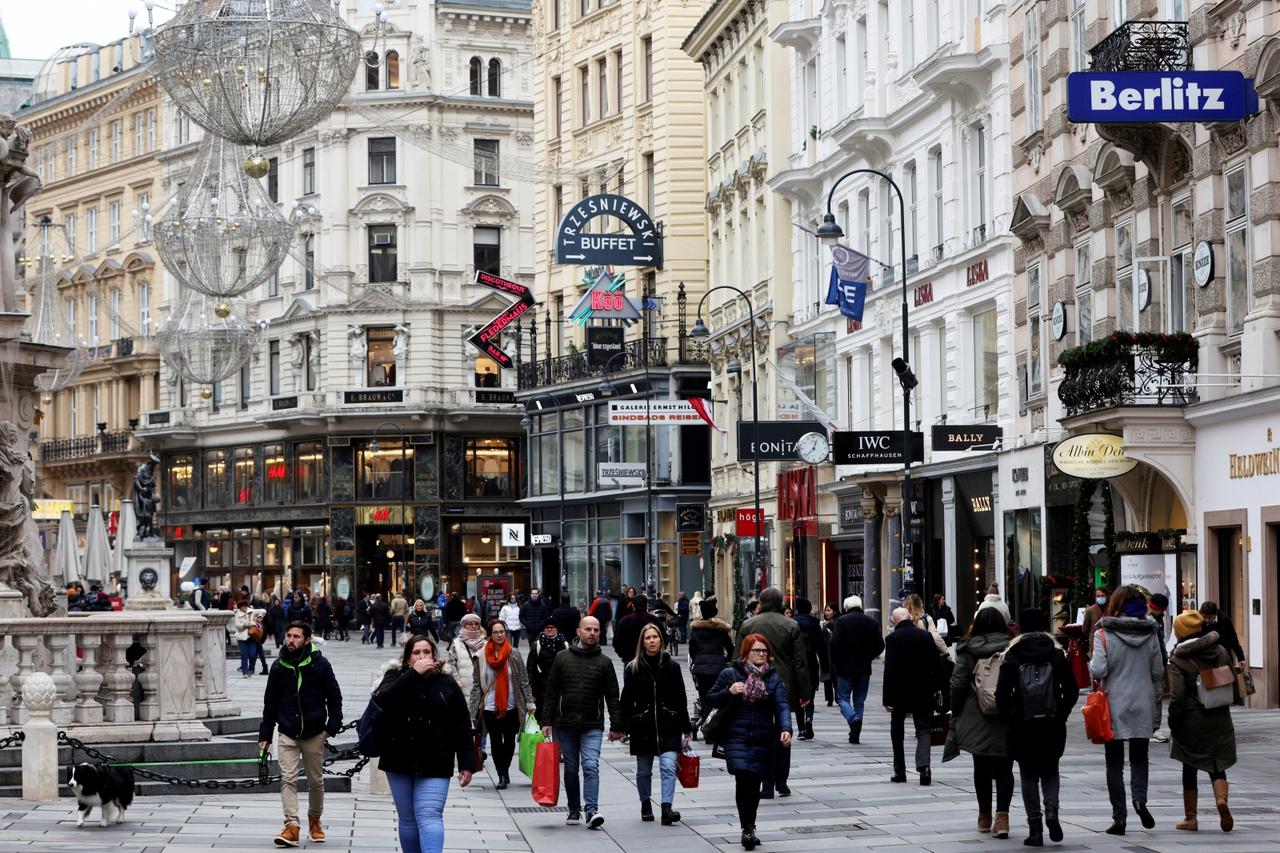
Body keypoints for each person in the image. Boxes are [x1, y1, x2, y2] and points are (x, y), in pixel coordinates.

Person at [373, 635, 476, 853]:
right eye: (416, 653)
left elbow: (462, 724)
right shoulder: (395, 676)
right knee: (408, 819)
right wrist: (413, 674)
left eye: (426, 652)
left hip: (436, 760)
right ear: (408, 657)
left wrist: (467, 763)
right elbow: (383, 699)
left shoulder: (446, 682)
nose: (422, 657)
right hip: (398, 757)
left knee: (429, 815)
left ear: (434, 655)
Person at [996, 607, 1080, 847]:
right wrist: (1061, 713)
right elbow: (1072, 690)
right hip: (1051, 724)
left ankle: (1035, 828)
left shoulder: (1012, 655)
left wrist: (1010, 716)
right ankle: (1052, 810)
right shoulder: (1056, 654)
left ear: (1020, 627)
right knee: (1050, 769)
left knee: (1028, 775)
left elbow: (1001, 695)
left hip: (1022, 724)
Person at [259, 621, 343, 847]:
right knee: (288, 779)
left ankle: (314, 819)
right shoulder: (279, 666)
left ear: (307, 640)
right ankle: (292, 826)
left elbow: (334, 696)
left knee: (316, 781)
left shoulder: (320, 665)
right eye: (289, 636)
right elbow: (270, 703)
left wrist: (332, 726)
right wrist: (265, 735)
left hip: (314, 733)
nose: (291, 641)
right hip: (287, 732)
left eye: (296, 637)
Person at [1088, 585, 1164, 835]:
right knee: (1140, 758)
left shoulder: (1103, 634)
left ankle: (1119, 818)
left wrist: (1093, 662)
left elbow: (1098, 670)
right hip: (1143, 701)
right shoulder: (1151, 633)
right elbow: (1158, 673)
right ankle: (1140, 800)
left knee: (1114, 764)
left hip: (1114, 704)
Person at [707, 633, 793, 850]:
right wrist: (729, 691)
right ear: (746, 652)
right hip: (736, 734)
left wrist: (785, 728)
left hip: (763, 736)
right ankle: (746, 827)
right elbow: (710, 698)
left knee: (754, 783)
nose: (761, 654)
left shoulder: (773, 677)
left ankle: (750, 825)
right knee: (743, 778)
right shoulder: (731, 674)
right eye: (757, 650)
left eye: (764, 651)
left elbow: (782, 705)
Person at [540, 616, 622, 829]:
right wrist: (547, 720)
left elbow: (612, 695)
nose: (593, 633)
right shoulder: (562, 658)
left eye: (596, 629)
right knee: (570, 768)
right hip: (565, 723)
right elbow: (551, 691)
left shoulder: (605, 662)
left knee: (590, 766)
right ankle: (574, 808)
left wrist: (617, 725)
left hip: (592, 724)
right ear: (579, 631)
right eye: (588, 629)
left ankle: (591, 810)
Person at [735, 587, 810, 798]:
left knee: (761, 735)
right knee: (783, 732)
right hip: (784, 684)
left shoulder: (749, 624)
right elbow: (800, 662)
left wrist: (736, 686)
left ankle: (766, 783)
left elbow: (738, 657)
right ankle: (782, 781)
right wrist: (805, 691)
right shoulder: (791, 625)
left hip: (754, 683)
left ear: (760, 602)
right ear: (780, 603)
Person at [948, 606, 1014, 838]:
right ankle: (1003, 818)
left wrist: (957, 712)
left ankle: (984, 816)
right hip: (1007, 714)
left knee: (981, 767)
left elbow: (957, 683)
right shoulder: (1012, 647)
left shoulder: (968, 648)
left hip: (977, 713)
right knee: (1005, 767)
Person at [1168, 609, 1236, 833]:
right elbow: (1230, 679)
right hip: (1219, 715)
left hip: (1192, 719)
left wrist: (1173, 721)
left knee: (1190, 764)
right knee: (1217, 762)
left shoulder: (1179, 658)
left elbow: (1177, 696)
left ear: (1180, 633)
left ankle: (1191, 818)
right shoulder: (1220, 650)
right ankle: (1221, 801)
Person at [618, 623, 692, 825]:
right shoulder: (633, 667)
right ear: (642, 642)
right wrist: (622, 726)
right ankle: (645, 803)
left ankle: (666, 808)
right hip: (643, 725)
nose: (652, 641)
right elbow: (626, 699)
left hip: (669, 724)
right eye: (648, 638)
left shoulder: (673, 666)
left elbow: (681, 697)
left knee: (668, 767)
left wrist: (686, 726)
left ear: (661, 640)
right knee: (644, 771)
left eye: (655, 637)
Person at [468, 620, 533, 790]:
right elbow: (476, 686)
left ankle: (505, 768)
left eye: (502, 632)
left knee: (510, 742)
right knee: (496, 742)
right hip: (490, 707)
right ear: (489, 634)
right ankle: (501, 774)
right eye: (496, 632)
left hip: (512, 706)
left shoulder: (514, 653)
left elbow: (524, 680)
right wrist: (472, 712)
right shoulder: (481, 656)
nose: (499, 635)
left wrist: (530, 701)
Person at [883, 606, 943, 786]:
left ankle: (899, 770)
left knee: (897, 730)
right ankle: (924, 767)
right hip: (923, 690)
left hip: (900, 692)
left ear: (894, 621)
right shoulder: (925, 636)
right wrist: (938, 688)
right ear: (910, 617)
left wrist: (887, 699)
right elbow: (937, 664)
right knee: (923, 729)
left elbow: (890, 670)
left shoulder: (893, 638)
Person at [827, 594, 884, 745]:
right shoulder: (871, 622)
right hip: (864, 668)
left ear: (846, 607)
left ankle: (853, 720)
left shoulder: (841, 621)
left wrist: (837, 661)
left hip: (845, 668)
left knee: (842, 698)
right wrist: (868, 657)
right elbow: (880, 645)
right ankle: (855, 733)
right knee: (859, 701)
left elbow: (833, 643)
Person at [687, 596, 734, 709]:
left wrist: (696, 660)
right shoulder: (720, 630)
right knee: (718, 695)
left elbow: (692, 649)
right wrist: (726, 660)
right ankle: (715, 719)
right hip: (718, 668)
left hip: (701, 669)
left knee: (703, 695)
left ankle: (705, 718)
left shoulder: (696, 630)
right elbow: (730, 649)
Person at [791, 598, 823, 740]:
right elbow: (822, 646)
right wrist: (826, 668)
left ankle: (801, 729)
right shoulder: (815, 624)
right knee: (809, 694)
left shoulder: (791, 623)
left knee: (799, 696)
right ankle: (809, 718)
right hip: (811, 662)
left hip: (795, 662)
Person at [448, 613, 488, 711]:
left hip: (483, 685)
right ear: (464, 625)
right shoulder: (456, 643)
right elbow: (451, 664)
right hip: (464, 685)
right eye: (470, 624)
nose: (474, 626)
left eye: (476, 624)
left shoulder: (485, 643)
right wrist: (457, 682)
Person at [526, 619, 568, 711]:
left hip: (560, 687)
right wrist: (531, 692)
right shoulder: (537, 645)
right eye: (547, 627)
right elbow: (530, 669)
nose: (549, 629)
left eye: (552, 627)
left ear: (557, 629)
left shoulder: (565, 645)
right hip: (541, 686)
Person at [1148, 593, 1171, 742]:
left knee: (1157, 696)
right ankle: (1153, 729)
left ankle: (1152, 728)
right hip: (1154, 665)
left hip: (1158, 663)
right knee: (1156, 696)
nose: (1162, 612)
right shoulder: (1151, 622)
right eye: (1161, 609)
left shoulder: (1157, 620)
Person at [613, 594, 661, 665]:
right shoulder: (654, 620)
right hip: (651, 660)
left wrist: (624, 655)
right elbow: (664, 639)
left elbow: (616, 642)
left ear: (633, 606)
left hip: (630, 659)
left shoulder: (624, 621)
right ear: (646, 605)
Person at [1199, 601, 1245, 672]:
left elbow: (1233, 640)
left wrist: (1240, 657)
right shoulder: (1200, 622)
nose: (1207, 620)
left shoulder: (1224, 620)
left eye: (1209, 617)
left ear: (1215, 614)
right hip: (1207, 659)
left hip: (1223, 657)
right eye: (1204, 617)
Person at [232, 600, 265, 678]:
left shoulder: (252, 611)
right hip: (242, 638)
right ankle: (245, 672)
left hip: (252, 636)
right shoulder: (237, 615)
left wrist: (259, 617)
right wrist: (247, 624)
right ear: (240, 607)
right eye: (243, 606)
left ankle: (250, 668)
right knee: (244, 655)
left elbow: (263, 611)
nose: (245, 608)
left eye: (246, 606)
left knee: (252, 654)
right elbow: (237, 626)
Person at [1081, 587, 1108, 657]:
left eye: (1102, 596)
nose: (1100, 598)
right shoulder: (1090, 610)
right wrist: (1092, 635)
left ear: (1106, 596)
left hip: (1109, 642)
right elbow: (1085, 629)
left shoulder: (1111, 609)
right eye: (1098, 596)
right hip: (1095, 643)